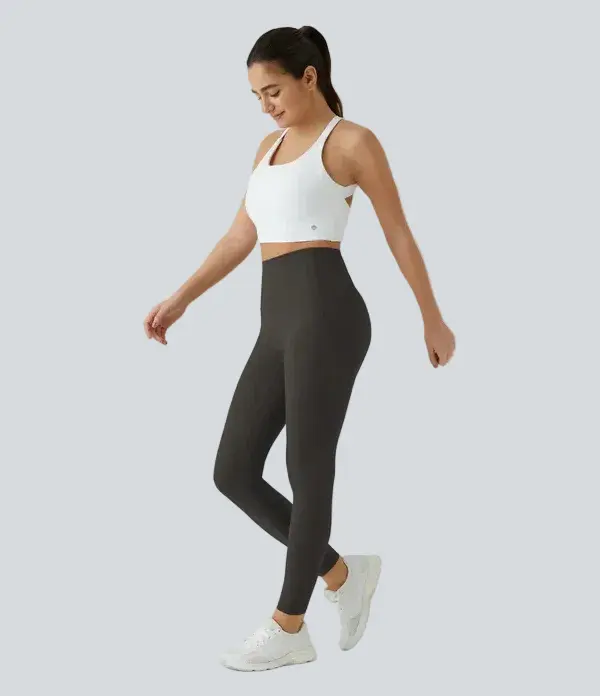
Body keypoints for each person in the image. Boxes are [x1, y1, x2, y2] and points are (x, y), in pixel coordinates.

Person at [143, 25, 456, 672]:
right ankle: (342, 573)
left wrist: (432, 318)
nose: (266, 105)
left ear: (309, 77)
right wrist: (181, 298)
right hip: (277, 320)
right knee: (232, 470)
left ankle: (289, 625)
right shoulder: (269, 147)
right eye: (256, 95)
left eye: (274, 90)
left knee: (306, 469)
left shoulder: (352, 141)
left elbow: (398, 232)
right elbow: (240, 236)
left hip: (327, 314)